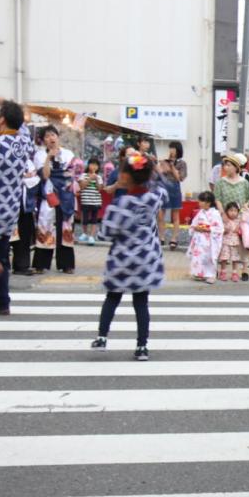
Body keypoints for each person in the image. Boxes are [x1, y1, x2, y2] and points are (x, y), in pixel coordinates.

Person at [90, 151, 165, 360]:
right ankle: (142, 346)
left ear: (124, 177)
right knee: (141, 303)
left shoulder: (120, 205)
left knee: (112, 298)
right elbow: (161, 187)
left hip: (122, 262)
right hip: (145, 260)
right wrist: (153, 168)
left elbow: (105, 233)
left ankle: (102, 337)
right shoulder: (154, 198)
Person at [0, 100, 35, 315]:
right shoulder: (25, 143)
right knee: (3, 256)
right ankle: (3, 302)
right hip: (10, 208)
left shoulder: (0, 144)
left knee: (1, 261)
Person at [32, 126, 76, 275]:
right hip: (49, 195)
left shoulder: (68, 154)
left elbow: (71, 174)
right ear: (43, 140)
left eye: (53, 135)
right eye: (47, 136)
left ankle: (66, 264)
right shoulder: (39, 155)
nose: (51, 138)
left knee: (66, 228)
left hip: (66, 195)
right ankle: (41, 264)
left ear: (58, 136)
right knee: (45, 225)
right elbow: (44, 175)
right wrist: (48, 157)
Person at [188, 191, 223, 283]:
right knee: (199, 257)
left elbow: (219, 228)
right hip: (200, 239)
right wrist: (195, 228)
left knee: (209, 257)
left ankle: (211, 275)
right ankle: (200, 273)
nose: (199, 203)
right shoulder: (200, 212)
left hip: (210, 240)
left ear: (208, 202)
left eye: (201, 201)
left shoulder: (215, 213)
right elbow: (193, 224)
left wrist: (207, 229)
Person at [158, 141, 187, 250]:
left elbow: (180, 178)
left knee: (175, 215)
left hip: (175, 189)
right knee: (160, 214)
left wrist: (172, 167)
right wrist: (161, 165)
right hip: (163, 188)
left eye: (173, 148)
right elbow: (159, 173)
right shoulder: (165, 161)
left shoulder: (182, 163)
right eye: (170, 148)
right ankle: (161, 237)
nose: (171, 151)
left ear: (178, 150)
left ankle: (174, 238)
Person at [78, 158, 104, 244]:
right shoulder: (83, 175)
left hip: (95, 202)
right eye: (92, 164)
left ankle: (92, 236)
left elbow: (99, 189)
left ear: (98, 167)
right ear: (88, 165)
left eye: (96, 165)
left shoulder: (99, 177)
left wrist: (95, 179)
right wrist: (90, 178)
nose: (93, 166)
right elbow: (82, 186)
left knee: (94, 220)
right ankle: (85, 233)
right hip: (86, 201)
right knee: (84, 219)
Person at [219, 202, 246, 282]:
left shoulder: (239, 221)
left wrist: (239, 229)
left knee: (235, 259)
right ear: (226, 211)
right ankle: (223, 272)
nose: (233, 213)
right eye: (231, 210)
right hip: (225, 243)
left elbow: (241, 229)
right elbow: (220, 230)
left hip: (235, 243)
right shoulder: (224, 220)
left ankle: (234, 273)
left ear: (238, 212)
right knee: (224, 258)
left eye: (235, 211)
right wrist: (224, 231)